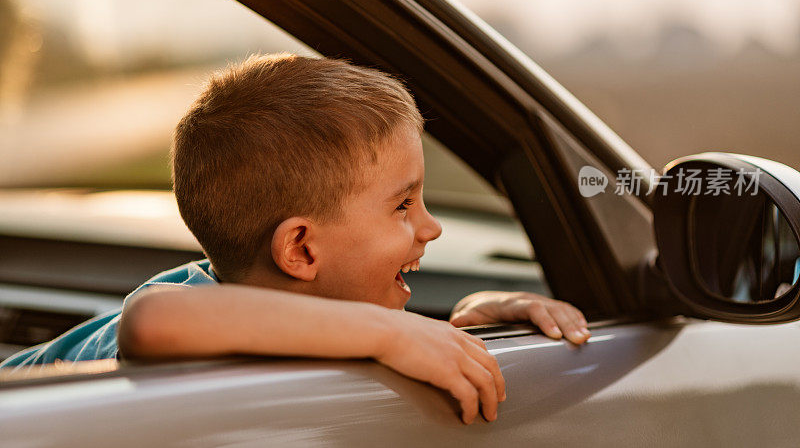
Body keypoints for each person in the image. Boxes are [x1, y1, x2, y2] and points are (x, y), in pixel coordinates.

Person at [0, 54, 590, 424]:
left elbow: (349, 321)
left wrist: (465, 323)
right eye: (404, 204)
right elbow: (152, 321)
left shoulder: (297, 304)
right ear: (301, 250)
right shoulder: (188, 308)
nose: (431, 227)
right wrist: (387, 332)